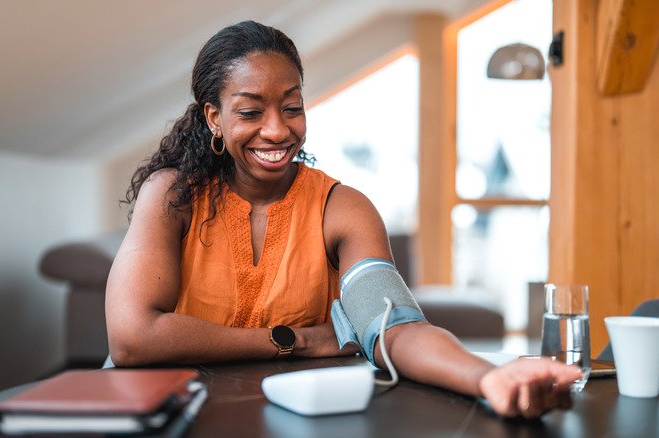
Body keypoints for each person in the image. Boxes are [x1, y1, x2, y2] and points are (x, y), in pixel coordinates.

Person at [105, 20, 580, 419]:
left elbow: (397, 328)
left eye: (292, 107)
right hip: (164, 418)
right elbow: (132, 339)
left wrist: (488, 377)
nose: (277, 129)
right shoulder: (173, 195)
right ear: (214, 117)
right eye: (250, 111)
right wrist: (291, 342)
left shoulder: (341, 208)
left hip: (283, 420)